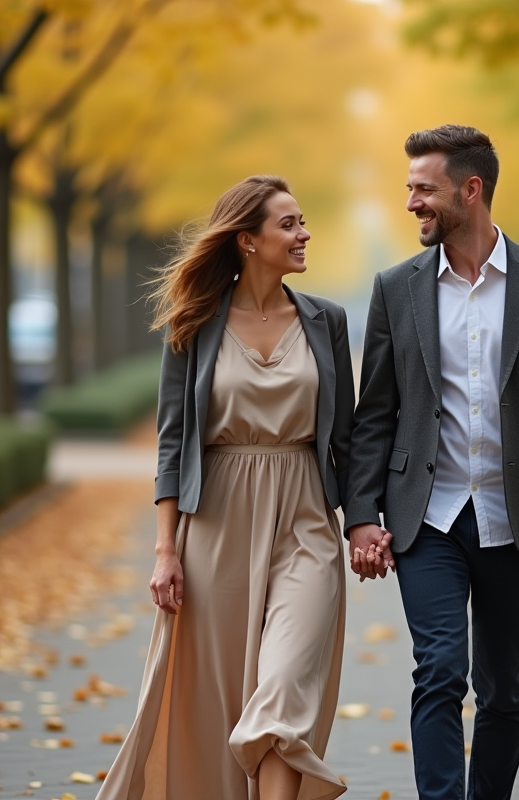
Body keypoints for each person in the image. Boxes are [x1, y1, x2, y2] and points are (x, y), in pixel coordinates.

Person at [345, 125, 519, 800]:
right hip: (426, 518)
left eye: (424, 189)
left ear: (471, 189)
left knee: (503, 688)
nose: (412, 204)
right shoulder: (396, 289)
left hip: (516, 515)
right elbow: (376, 415)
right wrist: (361, 516)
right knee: (439, 670)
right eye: (409, 190)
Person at [96, 175, 355, 800]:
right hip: (215, 519)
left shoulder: (327, 321)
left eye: (303, 221)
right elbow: (172, 439)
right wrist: (165, 550)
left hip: (306, 517)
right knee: (219, 709)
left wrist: (370, 518)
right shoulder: (195, 323)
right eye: (289, 224)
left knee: (285, 688)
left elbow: (350, 434)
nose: (304, 234)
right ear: (247, 239)